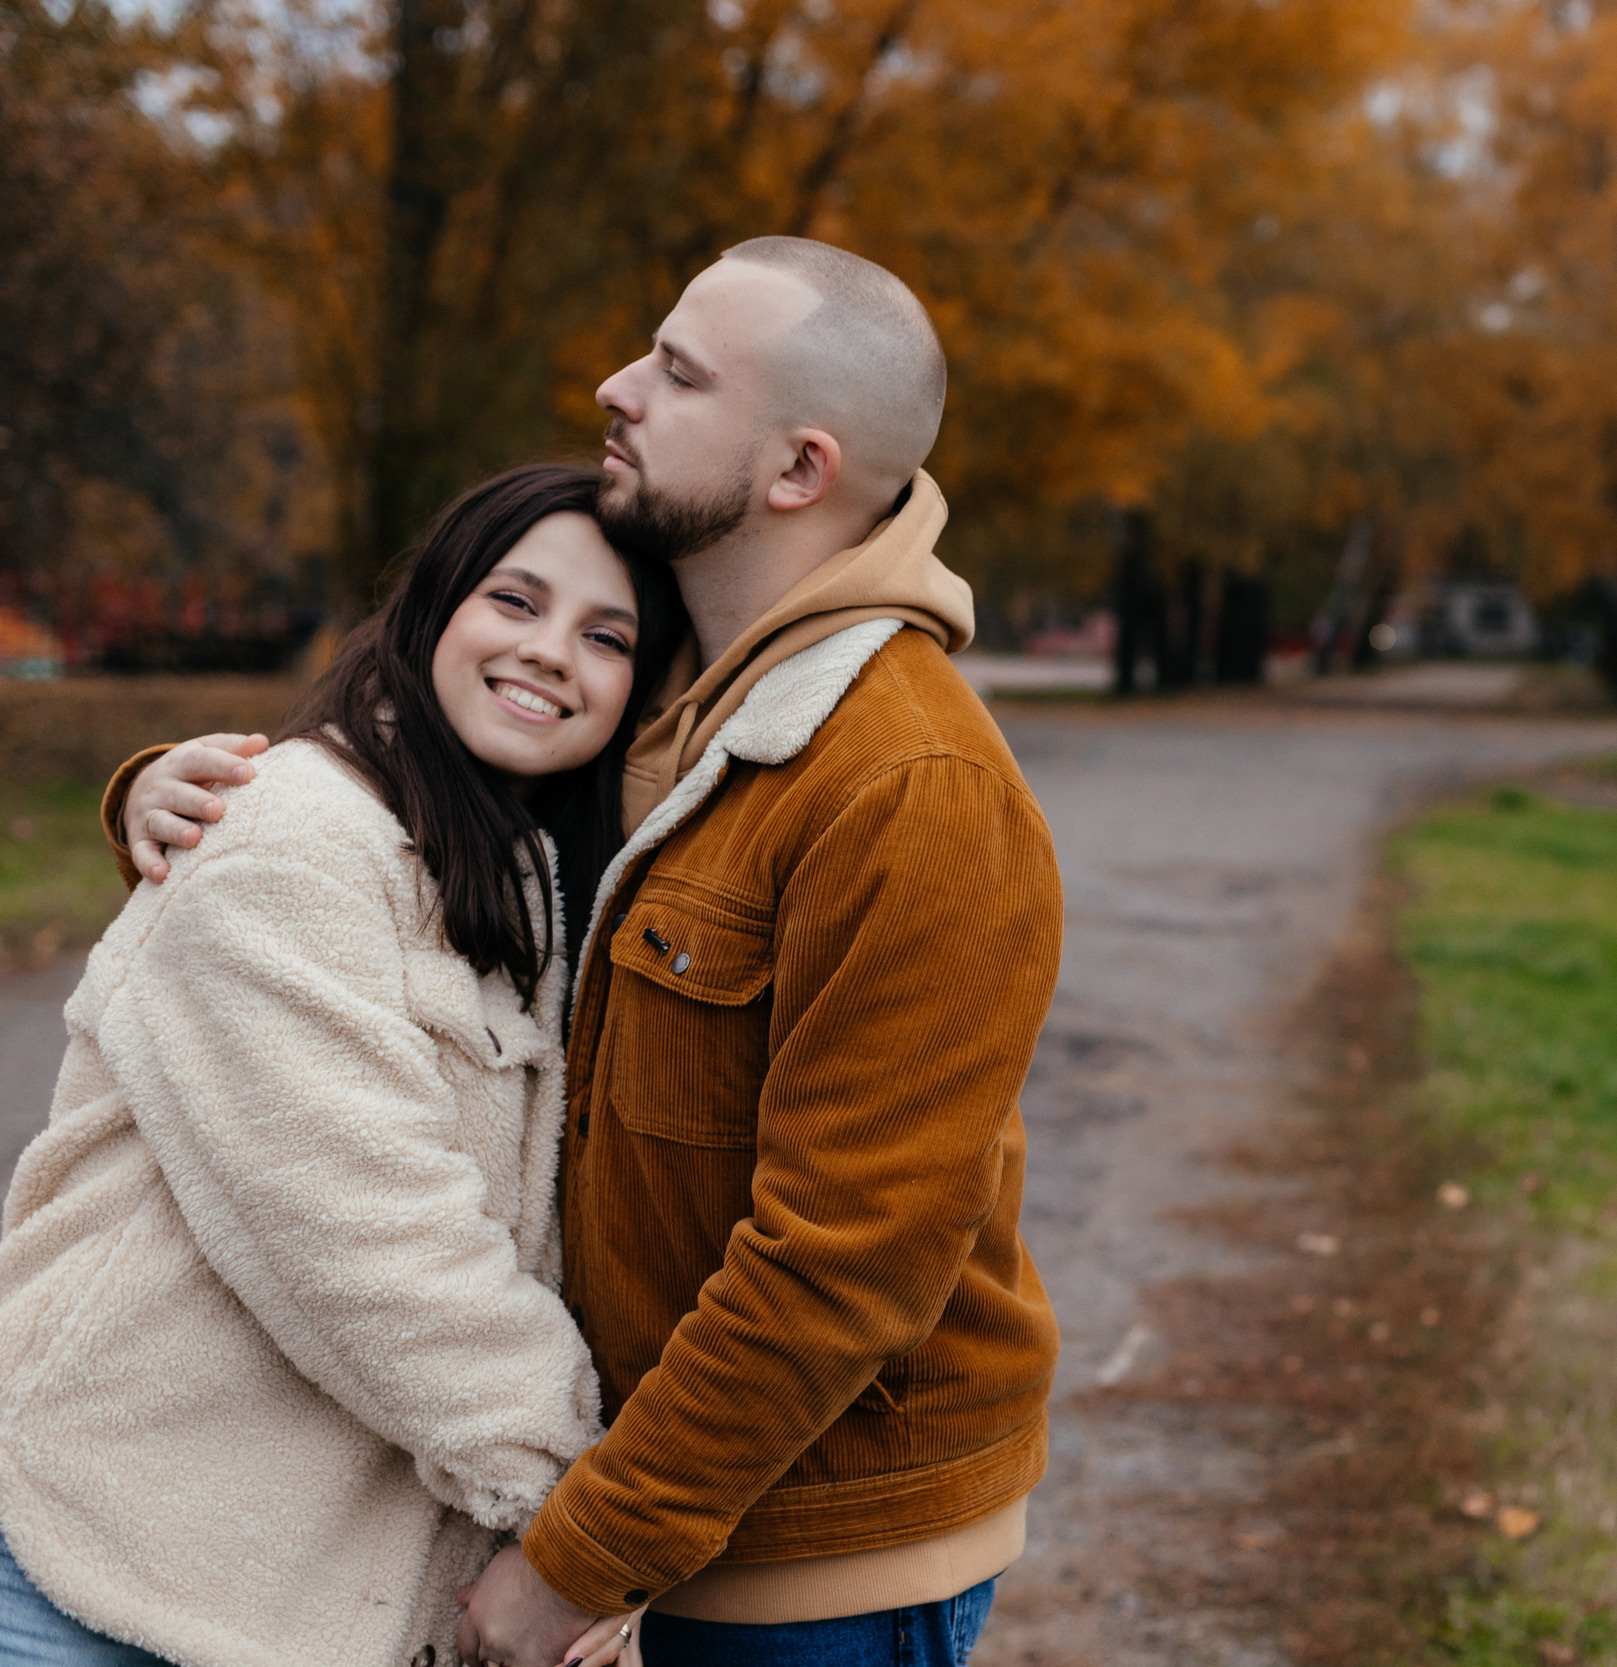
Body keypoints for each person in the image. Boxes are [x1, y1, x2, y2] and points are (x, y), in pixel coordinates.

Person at [115, 238, 1063, 1667]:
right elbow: (405, 827)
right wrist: (169, 789)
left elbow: (846, 1260)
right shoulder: (672, 688)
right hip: (641, 1521)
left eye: (678, 372)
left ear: (797, 471)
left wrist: (577, 1555)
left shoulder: (907, 780)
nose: (617, 386)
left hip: (807, 1564)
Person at [0, 464, 686, 1667]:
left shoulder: (521, 873)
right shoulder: (292, 835)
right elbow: (367, 1236)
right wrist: (581, 1515)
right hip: (97, 1561)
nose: (550, 653)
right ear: (433, 606)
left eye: (606, 634)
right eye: (514, 601)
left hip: (276, 1586)